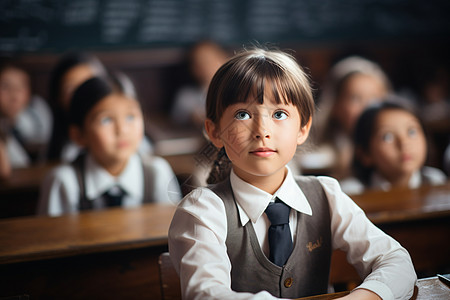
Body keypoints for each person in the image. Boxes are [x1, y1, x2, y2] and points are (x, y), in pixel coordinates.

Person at [168, 48, 416, 299]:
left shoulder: (326, 195)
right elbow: (207, 294)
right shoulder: (203, 210)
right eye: (242, 114)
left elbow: (396, 261)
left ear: (303, 128)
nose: (262, 131)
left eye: (279, 114)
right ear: (215, 132)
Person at [38, 76, 181, 216]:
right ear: (78, 135)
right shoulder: (64, 181)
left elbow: (173, 232)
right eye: (106, 120)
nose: (122, 130)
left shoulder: (156, 172)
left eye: (130, 117)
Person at [342, 97, 447, 195]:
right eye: (387, 137)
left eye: (412, 132)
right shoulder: (353, 193)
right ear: (365, 154)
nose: (403, 143)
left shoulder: (435, 181)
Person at [310, 56, 391, 179]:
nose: (367, 107)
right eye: (355, 98)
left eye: (375, 98)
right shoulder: (318, 159)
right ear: (335, 105)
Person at [46, 52, 107, 162]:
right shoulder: (58, 149)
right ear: (58, 98)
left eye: (90, 85)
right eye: (71, 88)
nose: (83, 94)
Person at [0, 60, 52, 170]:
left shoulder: (38, 109)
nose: (14, 95)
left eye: (20, 88)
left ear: (29, 92)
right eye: (5, 87)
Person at [171, 40, 229, 129]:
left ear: (224, 59)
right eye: (201, 63)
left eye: (211, 60)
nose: (207, 66)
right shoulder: (186, 96)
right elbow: (188, 116)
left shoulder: (241, 89)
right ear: (194, 69)